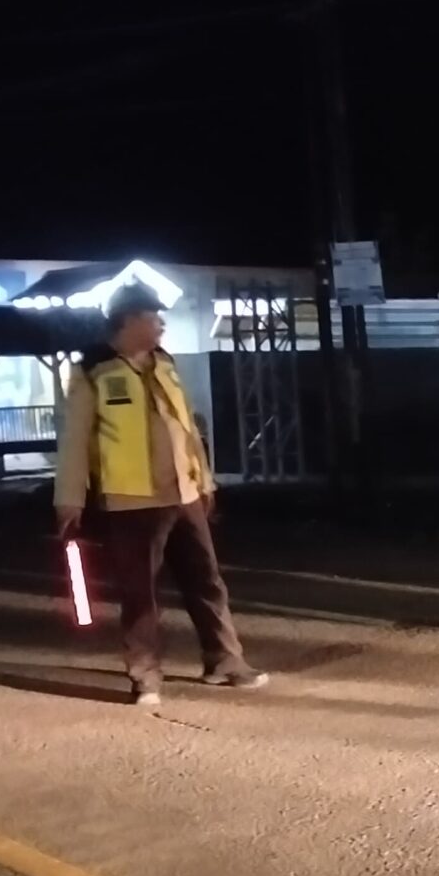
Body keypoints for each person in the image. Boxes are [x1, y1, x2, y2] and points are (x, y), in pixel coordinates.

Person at [56, 282, 267, 708]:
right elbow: (74, 442)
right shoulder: (93, 372)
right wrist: (69, 500)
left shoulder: (165, 365)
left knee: (207, 581)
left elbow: (187, 430)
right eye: (153, 318)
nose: (161, 325)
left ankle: (225, 660)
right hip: (129, 501)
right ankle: (145, 676)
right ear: (129, 320)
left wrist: (205, 482)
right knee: (139, 593)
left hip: (183, 495)